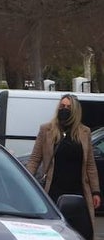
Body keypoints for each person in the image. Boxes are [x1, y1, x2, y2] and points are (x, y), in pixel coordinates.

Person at [25, 94, 101, 226]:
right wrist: (25, 184)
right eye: (62, 106)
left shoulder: (84, 132)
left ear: (75, 111)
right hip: (53, 189)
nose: (64, 109)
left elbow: (90, 164)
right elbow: (35, 159)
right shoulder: (46, 130)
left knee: (79, 228)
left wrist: (95, 191)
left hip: (78, 191)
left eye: (68, 107)